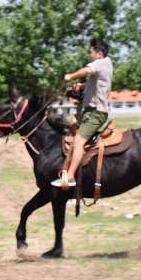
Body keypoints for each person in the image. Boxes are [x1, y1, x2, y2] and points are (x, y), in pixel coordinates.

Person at [51, 38, 113, 189]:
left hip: (96, 114)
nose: (88, 55)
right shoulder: (102, 66)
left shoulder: (102, 62)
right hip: (88, 113)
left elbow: (87, 70)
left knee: (78, 141)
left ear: (99, 53)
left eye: (90, 52)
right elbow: (95, 83)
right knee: (68, 126)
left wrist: (70, 76)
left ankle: (70, 177)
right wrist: (82, 86)